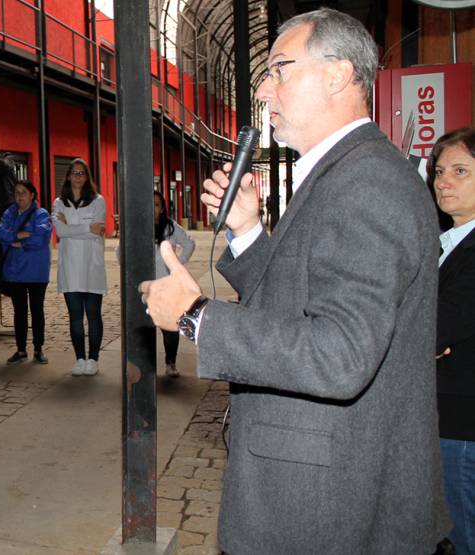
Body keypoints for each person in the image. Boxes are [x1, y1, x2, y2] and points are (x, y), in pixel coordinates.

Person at [140, 9, 448, 553]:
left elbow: (340, 354)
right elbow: (299, 301)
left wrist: (196, 316)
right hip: (319, 488)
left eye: (280, 69)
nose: (264, 89)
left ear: (337, 74)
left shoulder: (367, 182)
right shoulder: (344, 172)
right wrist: (247, 231)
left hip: (328, 505)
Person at [429, 128, 475, 555]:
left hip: (463, 426)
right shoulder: (446, 243)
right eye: (440, 171)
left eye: (460, 171)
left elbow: (435, 328)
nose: (444, 181)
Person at [52, 159, 106, 377]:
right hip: (70, 267)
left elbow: (98, 230)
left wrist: (72, 227)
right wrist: (87, 227)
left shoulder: (98, 201)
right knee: (75, 315)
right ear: (68, 176)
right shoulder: (59, 203)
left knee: (93, 315)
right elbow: (60, 232)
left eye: (81, 173)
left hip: (92, 266)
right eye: (74, 173)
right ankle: (80, 358)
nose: (77, 177)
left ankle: (93, 359)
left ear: (87, 176)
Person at [0, 179, 52, 366]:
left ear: (32, 195)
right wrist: (18, 235)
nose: (19, 196)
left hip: (36, 271)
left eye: (23, 192)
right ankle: (21, 350)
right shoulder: (9, 213)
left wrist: (18, 242)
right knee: (19, 312)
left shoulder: (41, 214)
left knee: (37, 311)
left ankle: (38, 349)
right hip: (14, 271)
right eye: (17, 192)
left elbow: (40, 239)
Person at [152, 193, 194, 377]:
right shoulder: (137, 226)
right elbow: (120, 250)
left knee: (169, 327)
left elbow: (189, 244)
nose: (152, 208)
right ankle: (145, 366)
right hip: (145, 285)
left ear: (162, 208)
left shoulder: (171, 227)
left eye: (156, 205)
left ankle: (171, 363)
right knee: (144, 329)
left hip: (167, 285)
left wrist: (177, 264)